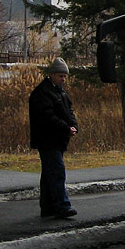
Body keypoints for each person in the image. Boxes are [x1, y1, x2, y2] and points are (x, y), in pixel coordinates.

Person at [29, 57, 79, 219]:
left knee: (49, 173)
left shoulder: (61, 92)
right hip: (47, 139)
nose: (63, 79)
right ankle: (62, 205)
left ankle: (48, 206)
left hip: (58, 139)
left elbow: (69, 112)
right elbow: (47, 117)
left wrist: (73, 125)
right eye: (60, 76)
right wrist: (66, 128)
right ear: (51, 74)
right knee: (57, 171)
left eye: (64, 76)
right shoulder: (42, 93)